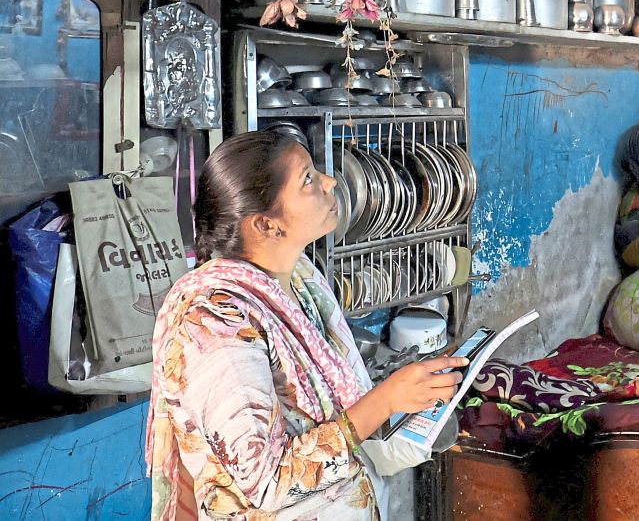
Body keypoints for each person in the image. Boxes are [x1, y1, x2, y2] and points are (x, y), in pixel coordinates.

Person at [145, 130, 469, 520]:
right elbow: (267, 483)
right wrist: (385, 400)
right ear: (266, 225)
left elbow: (330, 406)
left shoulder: (300, 278)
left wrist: (410, 398)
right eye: (308, 179)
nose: (330, 182)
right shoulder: (214, 322)